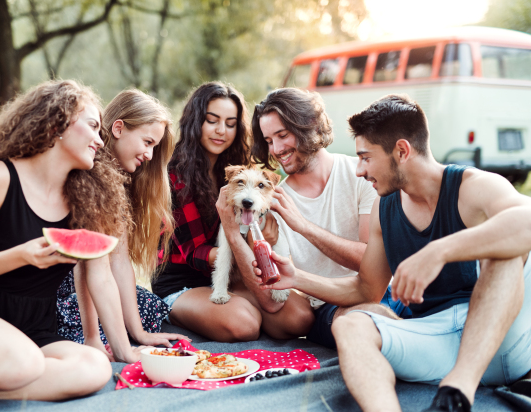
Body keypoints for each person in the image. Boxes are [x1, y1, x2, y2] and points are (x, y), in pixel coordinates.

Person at [255, 94, 531, 412]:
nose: (358, 170)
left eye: (366, 157)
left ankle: (457, 393)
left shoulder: (471, 186)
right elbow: (366, 289)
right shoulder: (384, 208)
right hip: (435, 341)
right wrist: (297, 278)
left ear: (401, 151)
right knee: (349, 324)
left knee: (506, 248)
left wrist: (437, 252)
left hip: (500, 337)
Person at [0, 80, 146, 405]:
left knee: (93, 367)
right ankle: (1, 369)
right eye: (92, 127)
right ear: (58, 123)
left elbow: (99, 277)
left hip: (33, 321)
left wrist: (123, 350)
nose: (100, 142)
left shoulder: (86, 199)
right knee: (23, 362)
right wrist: (22, 255)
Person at [218, 87, 405, 345]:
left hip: (388, 291)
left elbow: (369, 261)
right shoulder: (272, 201)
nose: (276, 149)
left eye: (283, 135)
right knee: (372, 322)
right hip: (330, 307)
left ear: (311, 124)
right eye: (269, 140)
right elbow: (270, 299)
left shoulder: (361, 175)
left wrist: (303, 226)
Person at [57, 89, 189, 352]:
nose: (150, 156)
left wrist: (137, 331)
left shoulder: (115, 180)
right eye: (147, 142)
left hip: (97, 276)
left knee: (148, 307)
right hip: (63, 284)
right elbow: (92, 266)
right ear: (118, 128)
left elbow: (119, 259)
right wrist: (118, 346)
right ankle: (96, 337)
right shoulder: (87, 171)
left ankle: (118, 335)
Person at [151, 81, 267, 342]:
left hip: (228, 271)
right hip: (181, 281)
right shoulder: (174, 175)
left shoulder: (235, 173)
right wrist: (248, 257)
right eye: (212, 120)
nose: (221, 131)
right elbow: (195, 253)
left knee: (294, 318)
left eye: (230, 123)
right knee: (245, 323)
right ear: (195, 122)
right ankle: (173, 312)